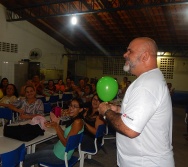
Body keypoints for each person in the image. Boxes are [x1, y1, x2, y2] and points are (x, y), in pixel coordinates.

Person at [98, 37, 174, 167]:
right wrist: (119, 110)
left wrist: (107, 111)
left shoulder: (146, 85)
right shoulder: (150, 79)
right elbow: (144, 115)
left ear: (144, 57)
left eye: (130, 51)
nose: (125, 54)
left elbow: (130, 129)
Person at [24, 97, 84, 166]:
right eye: (70, 105)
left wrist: (56, 127)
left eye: (75, 106)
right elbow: (66, 135)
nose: (71, 108)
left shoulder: (77, 122)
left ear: (80, 109)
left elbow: (67, 144)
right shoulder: (77, 120)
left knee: (28, 158)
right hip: (59, 148)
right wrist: (57, 125)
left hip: (61, 156)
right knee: (37, 153)